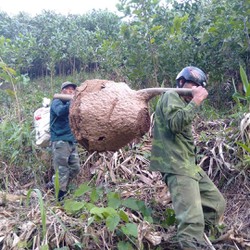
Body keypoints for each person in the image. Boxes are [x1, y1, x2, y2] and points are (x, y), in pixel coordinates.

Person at [150, 66, 226, 249]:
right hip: (176, 165)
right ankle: (190, 240)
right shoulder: (171, 95)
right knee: (192, 221)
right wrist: (196, 101)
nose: (194, 89)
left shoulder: (183, 103)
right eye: (192, 85)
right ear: (182, 83)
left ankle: (194, 242)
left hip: (188, 165)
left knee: (216, 203)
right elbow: (175, 124)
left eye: (198, 87)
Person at [49, 81, 80, 201]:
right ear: (63, 91)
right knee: (62, 169)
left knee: (75, 168)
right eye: (68, 89)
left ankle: (54, 182)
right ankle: (60, 198)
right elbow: (60, 112)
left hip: (71, 141)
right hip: (60, 141)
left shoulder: (72, 106)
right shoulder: (57, 102)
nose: (71, 91)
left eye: (73, 89)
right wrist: (71, 102)